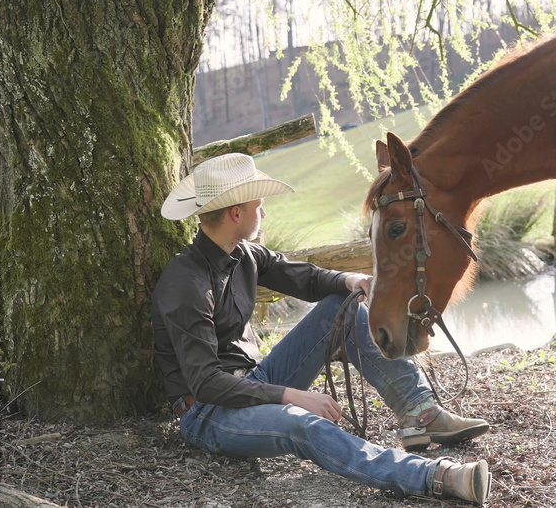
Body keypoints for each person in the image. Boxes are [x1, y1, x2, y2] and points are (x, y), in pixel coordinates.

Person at [150, 153, 491, 504]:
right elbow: (207, 384)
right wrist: (292, 396)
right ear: (236, 213)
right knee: (303, 425)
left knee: (339, 308)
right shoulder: (186, 283)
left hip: (255, 380)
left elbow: (305, 278)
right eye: (259, 205)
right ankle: (433, 476)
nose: (263, 213)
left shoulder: (245, 254)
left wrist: (352, 280)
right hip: (208, 413)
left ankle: (420, 412)